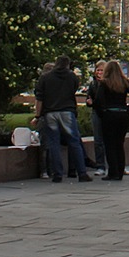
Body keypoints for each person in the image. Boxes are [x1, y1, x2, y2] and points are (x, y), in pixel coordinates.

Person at [33, 56, 92, 184]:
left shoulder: (45, 78)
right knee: (74, 142)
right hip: (67, 111)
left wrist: (37, 116)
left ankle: (57, 175)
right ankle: (82, 173)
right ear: (67, 65)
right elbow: (74, 90)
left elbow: (39, 98)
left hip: (50, 113)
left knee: (54, 143)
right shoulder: (72, 77)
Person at [95, 60, 129, 180]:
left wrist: (102, 113)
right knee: (119, 144)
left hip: (109, 115)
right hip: (122, 115)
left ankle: (113, 172)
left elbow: (98, 101)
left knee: (109, 144)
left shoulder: (104, 83)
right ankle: (120, 171)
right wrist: (127, 110)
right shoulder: (125, 82)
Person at [84, 60, 108, 175]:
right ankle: (100, 165)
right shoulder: (93, 84)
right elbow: (89, 99)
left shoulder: (109, 83)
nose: (99, 72)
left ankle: (113, 165)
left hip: (107, 114)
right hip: (96, 114)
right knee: (98, 140)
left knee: (109, 140)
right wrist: (89, 102)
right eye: (98, 70)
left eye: (102, 70)